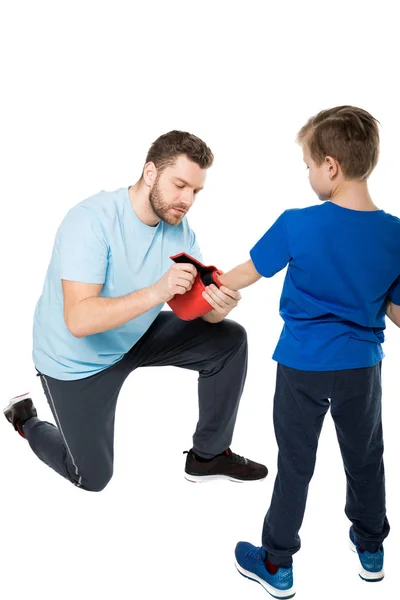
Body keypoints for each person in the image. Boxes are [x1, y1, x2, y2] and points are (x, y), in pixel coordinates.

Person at [4, 130, 267, 492]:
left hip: (135, 336)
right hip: (77, 362)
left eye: (195, 191)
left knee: (230, 339)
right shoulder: (91, 220)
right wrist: (158, 290)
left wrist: (216, 309)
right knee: (92, 478)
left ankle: (208, 455)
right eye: (180, 185)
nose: (187, 199)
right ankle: (25, 420)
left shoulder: (180, 230)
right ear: (150, 173)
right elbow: (79, 321)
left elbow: (192, 309)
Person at [215, 106, 400, 598]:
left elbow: (247, 272)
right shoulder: (396, 234)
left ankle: (276, 563)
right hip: (362, 368)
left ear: (331, 166)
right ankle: (371, 548)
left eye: (308, 164)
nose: (308, 174)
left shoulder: (298, 224)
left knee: (296, 462)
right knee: (365, 457)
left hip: (301, 365)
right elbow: (398, 313)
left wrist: (205, 282)